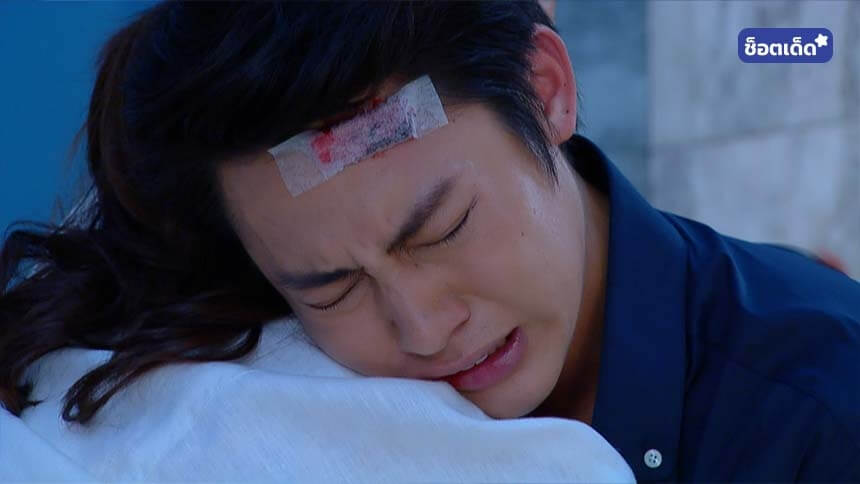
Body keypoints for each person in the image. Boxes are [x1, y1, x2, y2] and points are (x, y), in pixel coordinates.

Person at [1, 2, 858, 481]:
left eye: (441, 229)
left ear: (546, 91)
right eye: (332, 287)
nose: (421, 328)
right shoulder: (248, 381)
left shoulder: (823, 413)